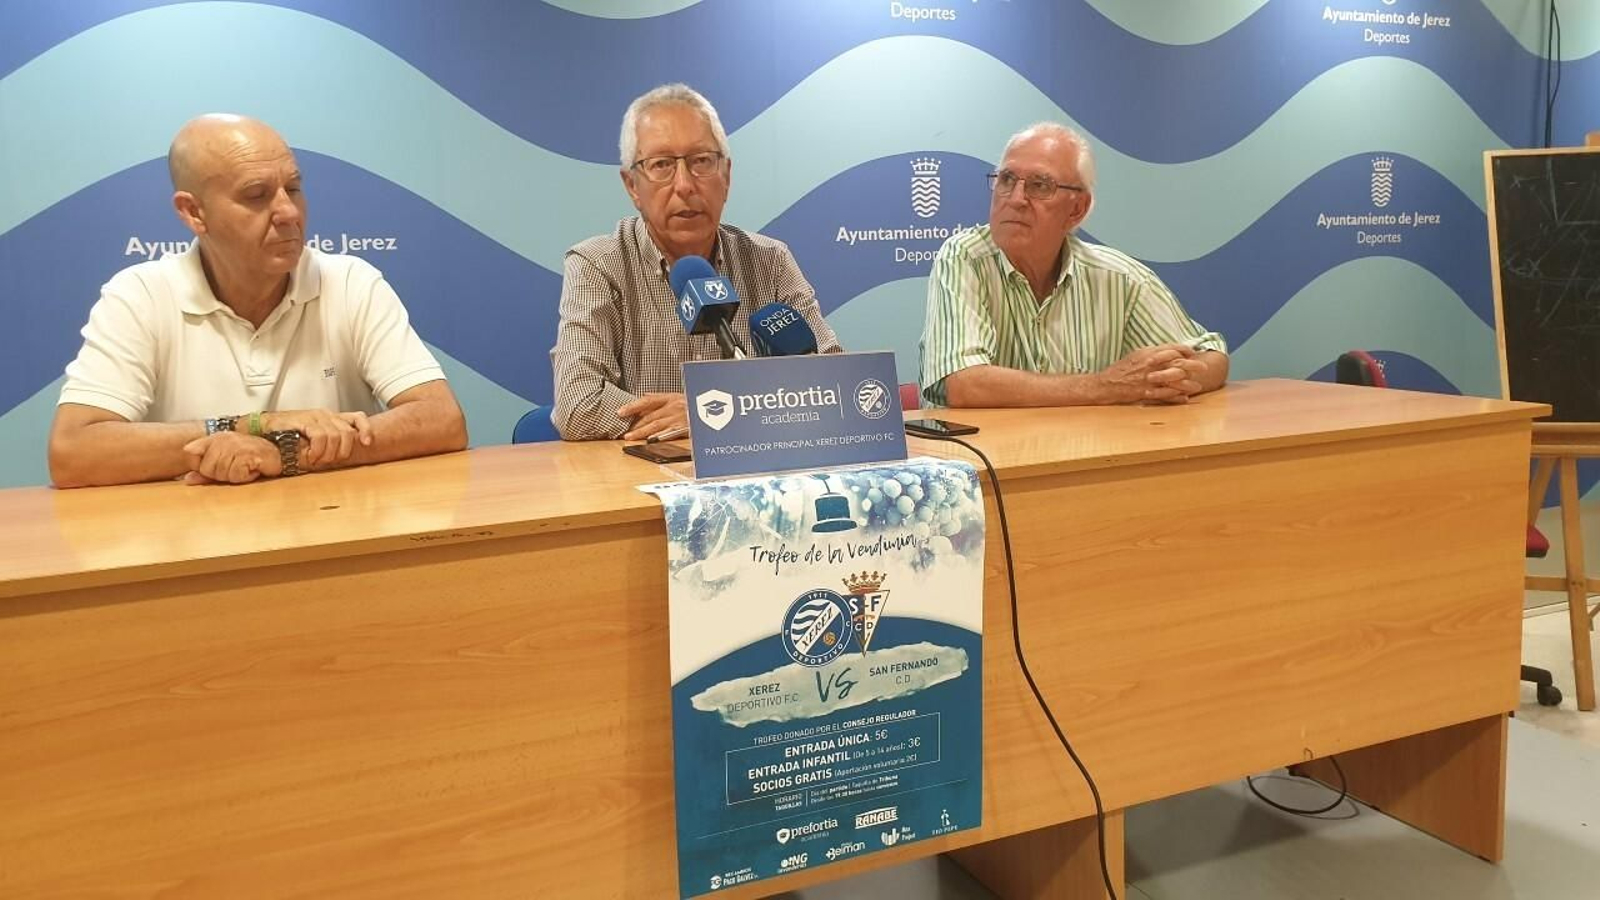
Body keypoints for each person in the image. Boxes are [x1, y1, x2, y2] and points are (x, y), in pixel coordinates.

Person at [48, 114, 466, 488]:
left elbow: (441, 420)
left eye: (294, 188)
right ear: (194, 213)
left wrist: (282, 453)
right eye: (256, 195)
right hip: (193, 549)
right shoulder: (139, 295)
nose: (288, 212)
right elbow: (74, 452)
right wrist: (257, 426)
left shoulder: (350, 281)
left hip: (339, 536)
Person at [551, 83, 841, 441]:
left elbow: (834, 385)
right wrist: (730, 412)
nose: (685, 184)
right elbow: (578, 404)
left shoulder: (770, 260)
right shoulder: (598, 265)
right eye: (661, 165)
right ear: (631, 187)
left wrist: (710, 410)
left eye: (701, 161)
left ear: (727, 175)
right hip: (647, 481)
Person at [920, 122, 1227, 407]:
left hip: (1085, 457)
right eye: (1007, 179)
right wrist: (1108, 386)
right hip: (984, 460)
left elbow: (1212, 359)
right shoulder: (965, 257)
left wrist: (1168, 379)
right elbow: (964, 384)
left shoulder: (1119, 277)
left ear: (1077, 209)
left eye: (1039, 186)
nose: (1015, 198)